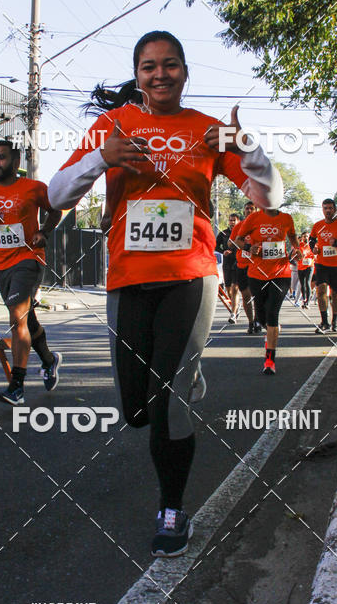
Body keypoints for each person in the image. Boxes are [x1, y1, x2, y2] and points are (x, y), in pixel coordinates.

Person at [47, 30, 283, 557]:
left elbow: (271, 197)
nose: (160, 75)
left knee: (168, 403)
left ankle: (172, 510)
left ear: (184, 71)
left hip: (190, 273)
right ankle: (185, 373)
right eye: (149, 66)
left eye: (170, 65)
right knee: (136, 410)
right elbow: (56, 194)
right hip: (128, 279)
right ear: (137, 74)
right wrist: (99, 160)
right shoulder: (112, 127)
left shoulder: (206, 131)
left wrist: (248, 147)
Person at [0, 140, 63, 405]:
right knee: (25, 319)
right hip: (1, 264)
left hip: (28, 258)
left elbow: (55, 209)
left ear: (16, 162)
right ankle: (49, 359)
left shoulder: (33, 188)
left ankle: (16, 386)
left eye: (1, 158)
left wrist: (43, 232)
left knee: (16, 319)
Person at [232, 207, 300, 374]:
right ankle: (271, 328)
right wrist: (248, 247)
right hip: (256, 274)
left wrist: (296, 249)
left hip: (281, 273)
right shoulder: (253, 218)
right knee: (262, 317)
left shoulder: (286, 218)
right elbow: (237, 240)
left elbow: (292, 236)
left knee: (272, 312)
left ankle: (270, 361)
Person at [309, 199, 337, 333]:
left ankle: (334, 321)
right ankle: (324, 322)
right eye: (325, 208)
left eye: (330, 208)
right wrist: (313, 248)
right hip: (322, 264)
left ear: (334, 210)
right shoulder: (317, 225)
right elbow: (311, 240)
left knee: (335, 294)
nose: (328, 210)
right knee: (321, 291)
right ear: (322, 210)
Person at [230, 201, 261, 333]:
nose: (249, 210)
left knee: (258, 295)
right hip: (242, 266)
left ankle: (258, 321)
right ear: (244, 211)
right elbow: (231, 243)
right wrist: (246, 246)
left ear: (256, 211)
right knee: (246, 296)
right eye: (247, 208)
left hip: (257, 266)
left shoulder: (261, 226)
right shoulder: (239, 226)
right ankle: (250, 322)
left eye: (251, 208)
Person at [215, 213, 240, 322]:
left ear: (238, 221)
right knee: (229, 289)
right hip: (226, 263)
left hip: (238, 262)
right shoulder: (223, 233)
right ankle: (236, 307)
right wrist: (223, 251)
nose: (232, 222)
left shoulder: (242, 233)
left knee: (235, 289)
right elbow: (215, 245)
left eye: (234, 220)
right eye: (230, 220)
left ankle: (233, 313)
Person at [297, 231, 314, 308]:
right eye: (304, 236)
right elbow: (294, 255)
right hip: (300, 267)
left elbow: (315, 254)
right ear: (302, 238)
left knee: (307, 282)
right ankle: (304, 299)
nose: (306, 238)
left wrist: (311, 256)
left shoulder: (311, 245)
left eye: (307, 236)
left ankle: (308, 302)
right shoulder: (299, 245)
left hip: (309, 266)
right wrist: (300, 255)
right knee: (302, 284)